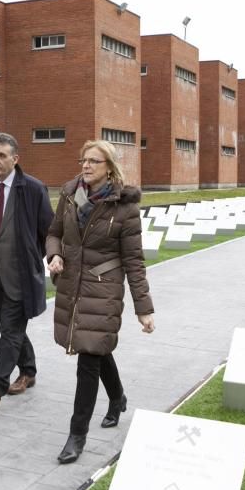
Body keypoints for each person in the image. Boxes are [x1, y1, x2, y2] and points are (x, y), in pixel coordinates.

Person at [46, 139, 154, 464]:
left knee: (89, 357)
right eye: (83, 160)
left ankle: (76, 435)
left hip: (104, 289)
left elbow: (134, 261)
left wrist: (144, 309)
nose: (86, 166)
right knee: (95, 346)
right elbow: (53, 232)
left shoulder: (124, 207)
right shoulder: (70, 195)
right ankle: (118, 397)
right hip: (73, 285)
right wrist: (54, 255)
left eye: (94, 161)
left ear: (109, 167)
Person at [0, 132, 54, 411]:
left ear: (15, 159)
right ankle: (28, 371)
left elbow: (49, 230)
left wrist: (33, 258)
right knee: (11, 329)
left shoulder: (33, 188)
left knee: (10, 331)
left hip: (19, 276)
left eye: (1, 155)